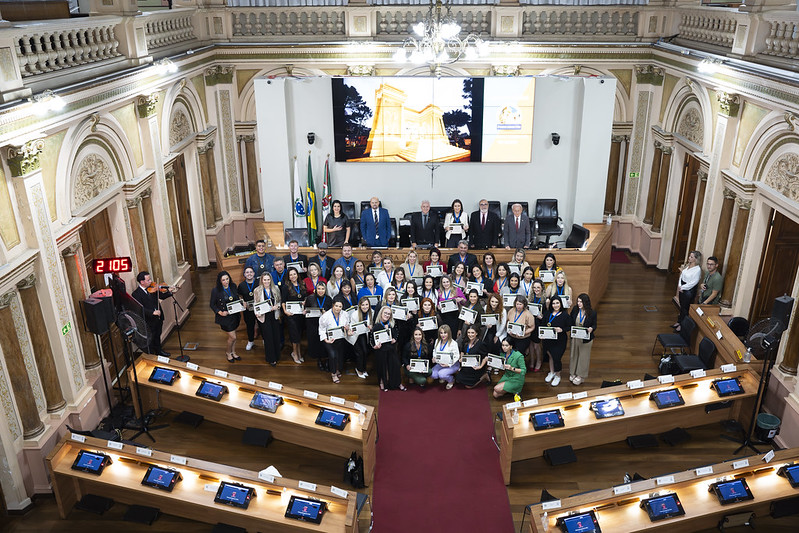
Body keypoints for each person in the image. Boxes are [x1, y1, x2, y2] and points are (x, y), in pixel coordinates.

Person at [131, 270, 174, 357]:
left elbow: (161, 296)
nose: (150, 281)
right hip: (149, 321)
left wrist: (170, 292)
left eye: (150, 279)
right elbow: (140, 308)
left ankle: (159, 351)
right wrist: (152, 312)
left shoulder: (152, 289)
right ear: (142, 282)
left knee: (157, 335)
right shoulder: (136, 294)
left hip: (158, 318)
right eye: (148, 280)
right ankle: (152, 356)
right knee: (150, 338)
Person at [209, 270, 241, 363]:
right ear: (220, 281)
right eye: (223, 280)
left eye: (227, 279)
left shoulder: (233, 286)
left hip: (234, 315)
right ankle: (228, 352)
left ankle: (233, 352)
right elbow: (212, 304)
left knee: (234, 336)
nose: (226, 281)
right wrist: (220, 312)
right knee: (233, 337)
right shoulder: (215, 290)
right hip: (225, 317)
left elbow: (236, 298)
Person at [370, 306, 405, 391]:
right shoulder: (376, 326)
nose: (387, 315)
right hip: (381, 350)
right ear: (381, 313)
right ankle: (382, 382)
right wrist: (375, 346)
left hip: (391, 349)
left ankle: (398, 383)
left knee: (396, 365)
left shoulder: (392, 325)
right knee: (382, 366)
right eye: (385, 313)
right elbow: (371, 340)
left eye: (389, 314)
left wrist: (394, 339)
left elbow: (396, 334)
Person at [319, 300, 351, 383]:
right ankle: (333, 374)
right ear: (333, 305)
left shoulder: (345, 314)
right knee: (333, 355)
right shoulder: (325, 316)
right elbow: (321, 329)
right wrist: (326, 340)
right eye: (336, 306)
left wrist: (347, 329)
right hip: (329, 339)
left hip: (340, 338)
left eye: (340, 306)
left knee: (340, 355)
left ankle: (337, 369)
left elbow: (347, 325)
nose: (338, 308)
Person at [254, 272, 281, 366]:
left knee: (276, 336)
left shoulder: (276, 288)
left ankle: (277, 356)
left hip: (274, 316)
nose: (266, 281)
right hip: (264, 317)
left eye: (268, 279)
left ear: (271, 280)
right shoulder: (257, 290)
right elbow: (255, 304)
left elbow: (280, 302)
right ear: (262, 280)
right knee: (268, 338)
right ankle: (271, 358)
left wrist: (277, 306)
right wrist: (257, 313)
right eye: (264, 279)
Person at [543, 295, 570, 387]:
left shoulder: (565, 315)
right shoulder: (547, 313)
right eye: (553, 303)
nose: (555, 305)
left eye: (557, 303)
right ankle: (552, 372)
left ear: (561, 304)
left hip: (560, 341)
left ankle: (558, 375)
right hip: (548, 340)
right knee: (550, 355)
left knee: (557, 358)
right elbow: (542, 325)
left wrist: (562, 329)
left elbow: (570, 326)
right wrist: (541, 334)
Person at [569, 293, 596, 386]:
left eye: (581, 302)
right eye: (578, 301)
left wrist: (591, 328)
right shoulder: (575, 309)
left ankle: (580, 375)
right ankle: (573, 372)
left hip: (585, 339)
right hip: (576, 337)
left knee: (583, 357)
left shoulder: (592, 313)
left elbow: (594, 324)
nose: (579, 303)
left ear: (586, 302)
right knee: (574, 354)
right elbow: (570, 320)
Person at [281, 267, 306, 364]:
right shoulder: (286, 286)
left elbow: (304, 297)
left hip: (301, 314)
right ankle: (295, 353)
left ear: (297, 274)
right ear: (288, 276)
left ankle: (298, 352)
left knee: (299, 335)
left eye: (294, 274)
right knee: (294, 335)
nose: (293, 276)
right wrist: (285, 311)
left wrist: (305, 302)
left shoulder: (302, 284)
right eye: (291, 275)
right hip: (291, 315)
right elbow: (283, 301)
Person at [305, 282, 332, 371]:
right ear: (316, 289)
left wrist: (326, 313)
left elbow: (332, 312)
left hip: (325, 324)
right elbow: (306, 309)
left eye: (322, 289)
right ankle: (319, 360)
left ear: (325, 290)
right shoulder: (310, 298)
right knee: (316, 342)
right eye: (319, 289)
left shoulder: (328, 299)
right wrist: (305, 312)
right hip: (313, 323)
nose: (320, 291)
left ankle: (327, 360)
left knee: (325, 342)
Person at [674, 250, 702, 331]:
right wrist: (679, 285)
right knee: (682, 307)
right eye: (689, 256)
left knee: (685, 309)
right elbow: (682, 276)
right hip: (682, 288)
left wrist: (683, 288)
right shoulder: (688, 266)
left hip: (688, 291)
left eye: (691, 257)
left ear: (696, 259)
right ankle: (679, 322)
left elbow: (694, 282)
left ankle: (682, 325)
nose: (689, 258)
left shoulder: (697, 269)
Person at [347, 297, 374, 379]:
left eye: (366, 304)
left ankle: (363, 369)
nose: (365, 307)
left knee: (365, 352)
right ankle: (359, 370)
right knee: (360, 353)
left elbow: (373, 324)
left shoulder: (372, 312)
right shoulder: (355, 314)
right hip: (356, 335)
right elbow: (352, 327)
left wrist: (371, 327)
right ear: (359, 305)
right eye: (363, 305)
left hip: (365, 335)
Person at [431, 325, 461, 390]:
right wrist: (434, 357)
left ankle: (451, 380)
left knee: (441, 374)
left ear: (449, 333)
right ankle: (443, 376)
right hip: (440, 363)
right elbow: (434, 351)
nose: (443, 335)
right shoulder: (437, 341)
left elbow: (457, 356)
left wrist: (449, 364)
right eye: (441, 333)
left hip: (452, 364)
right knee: (433, 374)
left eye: (445, 333)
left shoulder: (453, 343)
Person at [237, 266, 259, 351]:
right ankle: (250, 341)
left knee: (262, 324)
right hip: (248, 310)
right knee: (250, 325)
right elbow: (239, 295)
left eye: (251, 272)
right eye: (247, 272)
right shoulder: (241, 285)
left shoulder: (258, 283)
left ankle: (265, 340)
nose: (249, 274)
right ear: (244, 274)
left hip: (258, 307)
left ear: (254, 273)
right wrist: (242, 301)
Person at [529, 279, 546, 372]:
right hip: (531, 324)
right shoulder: (530, 298)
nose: (536, 289)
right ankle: (532, 361)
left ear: (542, 288)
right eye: (534, 287)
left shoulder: (545, 300)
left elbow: (548, 316)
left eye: (538, 287)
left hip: (539, 324)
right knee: (531, 345)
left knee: (537, 345)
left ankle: (539, 361)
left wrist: (542, 317)